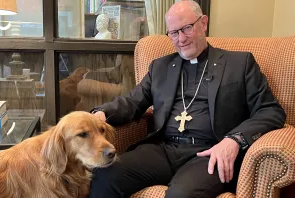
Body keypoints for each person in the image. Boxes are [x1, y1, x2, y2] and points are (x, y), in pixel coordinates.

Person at [88, 1, 286, 197]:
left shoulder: (239, 63)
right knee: (102, 176)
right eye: (173, 32)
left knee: (181, 195)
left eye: (187, 28)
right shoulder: (160, 67)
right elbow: (132, 101)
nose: (180, 39)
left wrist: (234, 140)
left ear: (203, 23)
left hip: (209, 152)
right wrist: (101, 114)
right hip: (163, 150)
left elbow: (270, 110)